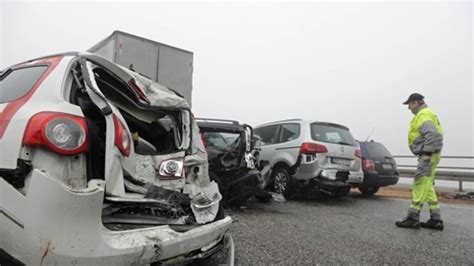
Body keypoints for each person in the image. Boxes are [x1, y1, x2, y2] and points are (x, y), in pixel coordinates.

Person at [395, 93, 444, 230]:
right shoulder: (427, 113)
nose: (409, 108)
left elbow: (432, 134)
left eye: (409, 105)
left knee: (419, 183)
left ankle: (412, 218)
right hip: (431, 154)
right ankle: (436, 219)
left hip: (428, 155)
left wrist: (427, 152)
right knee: (427, 186)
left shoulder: (423, 114)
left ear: (416, 102)